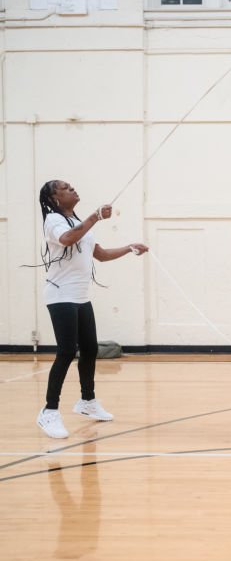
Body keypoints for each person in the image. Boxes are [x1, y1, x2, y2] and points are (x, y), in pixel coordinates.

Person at [35, 180, 149, 439]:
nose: (73, 188)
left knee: (89, 349)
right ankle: (49, 411)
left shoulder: (77, 223)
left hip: (80, 296)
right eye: (65, 187)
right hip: (60, 295)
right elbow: (66, 239)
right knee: (66, 351)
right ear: (54, 198)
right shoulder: (54, 221)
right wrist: (95, 216)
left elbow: (100, 254)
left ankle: (87, 402)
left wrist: (129, 248)